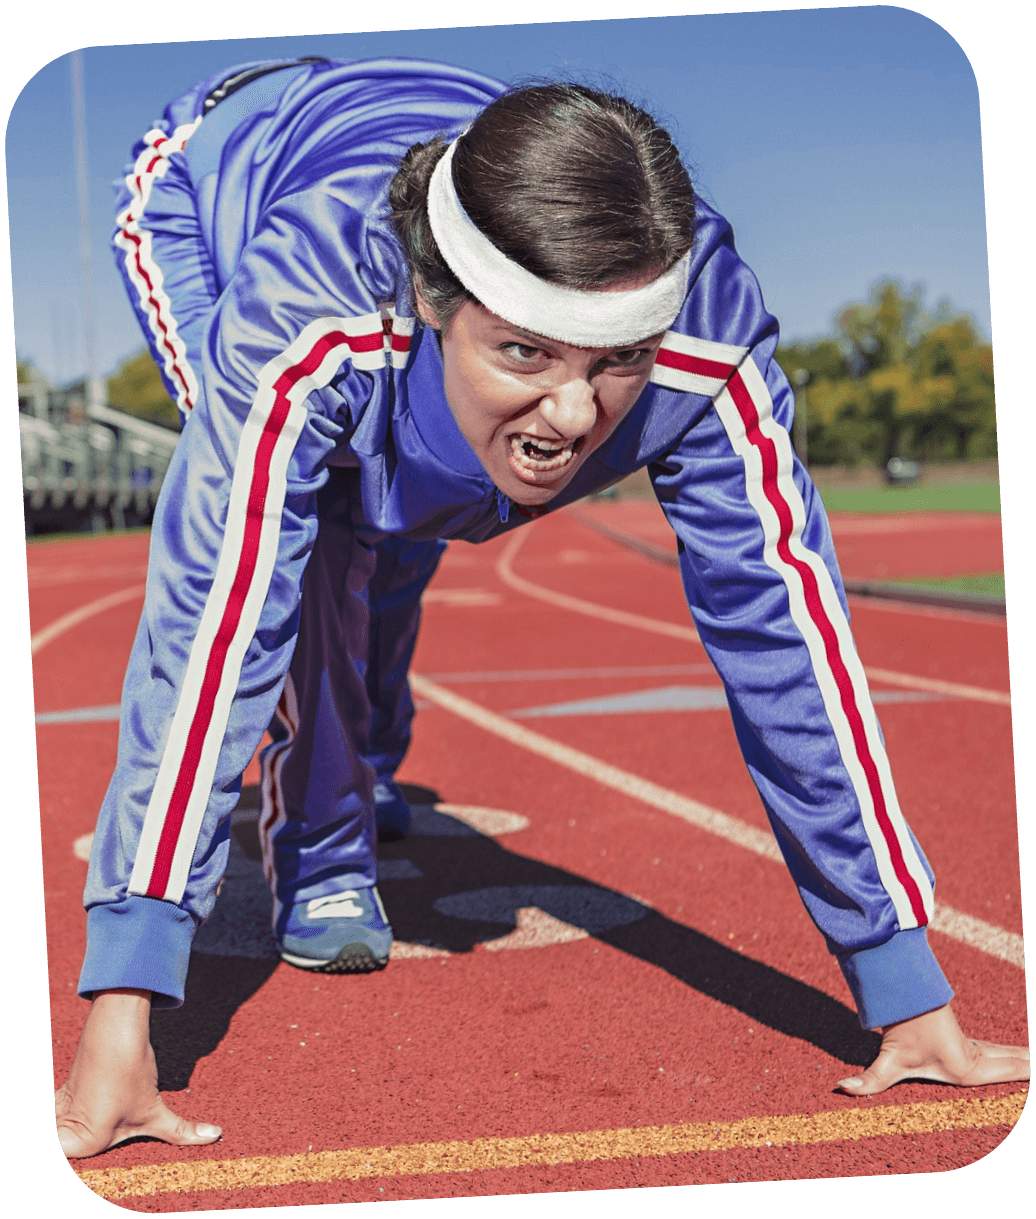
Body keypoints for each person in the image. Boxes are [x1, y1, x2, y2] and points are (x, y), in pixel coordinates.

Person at [55, 55, 1028, 1159]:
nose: (572, 415)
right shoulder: (311, 306)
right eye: (525, 348)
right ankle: (321, 844)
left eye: (615, 360)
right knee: (315, 527)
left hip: (442, 167)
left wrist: (902, 979)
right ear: (433, 301)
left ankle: (365, 749)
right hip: (214, 181)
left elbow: (788, 637)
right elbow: (214, 619)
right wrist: (127, 997)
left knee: (415, 513)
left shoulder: (705, 333)